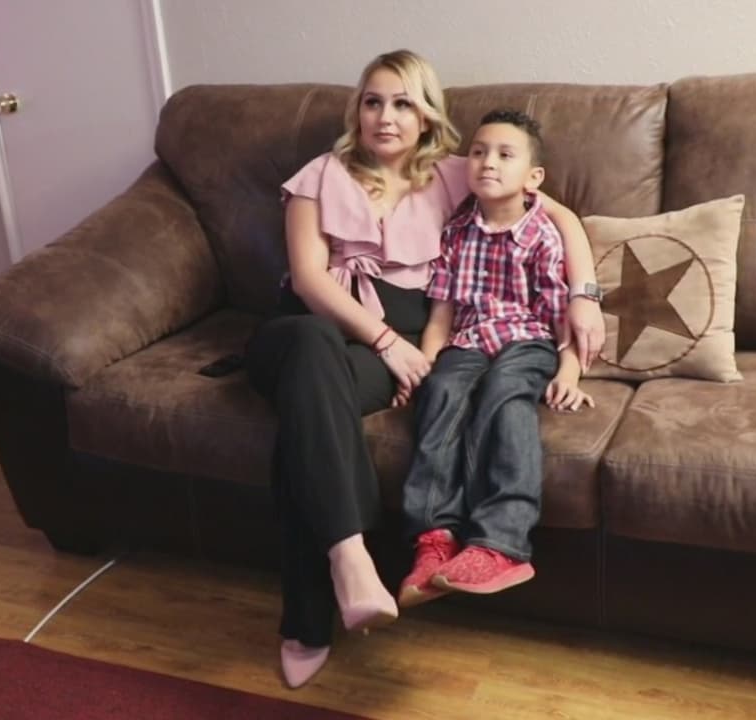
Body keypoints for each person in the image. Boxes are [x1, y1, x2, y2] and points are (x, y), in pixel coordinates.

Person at [244, 51, 605, 689]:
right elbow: (307, 280)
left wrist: (584, 295)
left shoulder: (456, 173)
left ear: (427, 117)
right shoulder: (318, 176)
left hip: (394, 348)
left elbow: (560, 215)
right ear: (357, 111)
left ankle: (310, 614)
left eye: (403, 103)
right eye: (373, 101)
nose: (385, 117)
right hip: (311, 330)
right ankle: (350, 555)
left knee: (309, 418)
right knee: (308, 348)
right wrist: (387, 342)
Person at [397, 109, 596, 611]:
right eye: (479, 152)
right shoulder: (456, 230)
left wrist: (570, 370)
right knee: (442, 391)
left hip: (526, 340)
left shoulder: (542, 234)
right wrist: (423, 366)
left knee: (505, 392)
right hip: (467, 341)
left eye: (506, 155)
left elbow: (561, 317)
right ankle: (434, 538)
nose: (488, 162)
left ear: (534, 177)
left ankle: (501, 543)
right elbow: (441, 314)